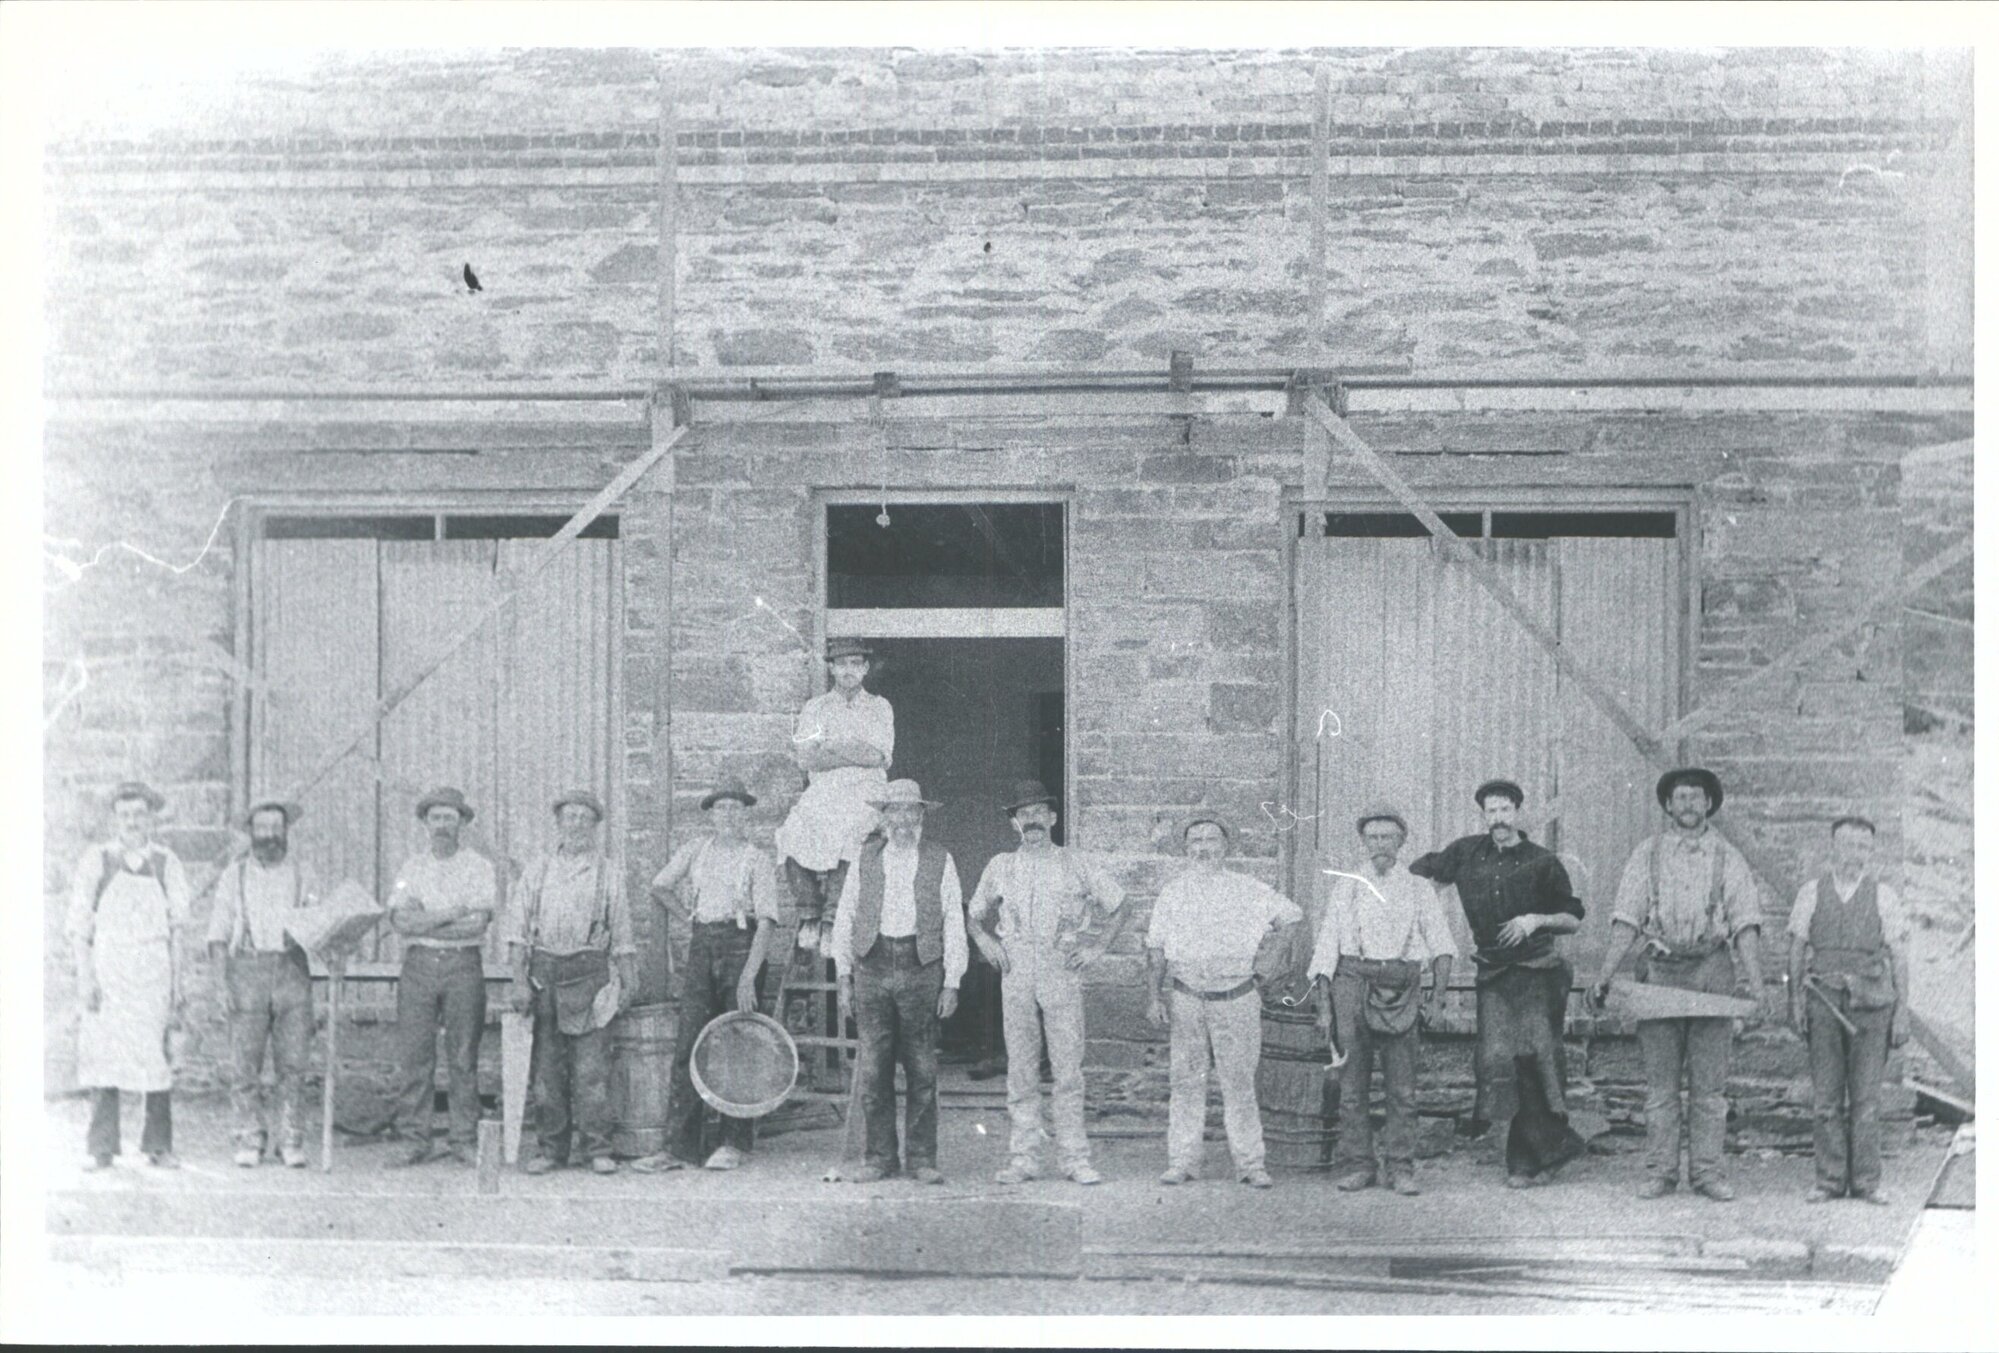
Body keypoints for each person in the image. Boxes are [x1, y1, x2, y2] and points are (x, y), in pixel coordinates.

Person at [1589, 768, 1770, 1203]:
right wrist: (1605, 974)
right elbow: (1626, 921)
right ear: (1668, 805)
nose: (1688, 804)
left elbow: (1745, 924)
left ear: (1709, 804)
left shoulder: (1729, 858)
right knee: (1661, 1088)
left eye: (1696, 797)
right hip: (1659, 973)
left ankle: (1708, 1174)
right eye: (1680, 798)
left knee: (1709, 1089)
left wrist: (1758, 987)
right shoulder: (1646, 855)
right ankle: (1661, 1173)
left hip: (1712, 970)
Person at [1409, 778, 1584, 1188]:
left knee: (1537, 1057)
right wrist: (1422, 910)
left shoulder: (1543, 862)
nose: (1498, 819)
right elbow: (1419, 875)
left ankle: (1525, 1161)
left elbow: (1573, 919)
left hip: (1538, 970)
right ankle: (1553, 1147)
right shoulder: (1467, 852)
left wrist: (1534, 920)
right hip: (1494, 972)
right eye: (1491, 811)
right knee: (1496, 1059)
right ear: (1483, 816)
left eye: (1505, 810)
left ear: (1518, 813)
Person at [968, 779, 1126, 1186]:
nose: (1032, 820)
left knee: (1068, 1068)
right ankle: (1024, 1159)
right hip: (1016, 967)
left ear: (1053, 818)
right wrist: (985, 940)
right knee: (1021, 1067)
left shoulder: (1077, 863)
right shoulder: (1001, 865)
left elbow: (1122, 906)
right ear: (1014, 824)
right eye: (1024, 814)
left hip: (1061, 967)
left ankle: (1075, 1159)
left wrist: (1096, 949)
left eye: (1039, 812)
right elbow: (973, 913)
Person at [633, 779, 784, 1174]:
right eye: (721, 809)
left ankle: (733, 1143)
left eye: (735, 808)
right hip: (703, 947)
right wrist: (690, 920)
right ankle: (679, 1148)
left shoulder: (757, 858)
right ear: (712, 815)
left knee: (739, 1044)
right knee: (690, 1044)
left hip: (742, 949)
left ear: (744, 814)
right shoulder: (696, 850)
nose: (728, 815)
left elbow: (767, 924)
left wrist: (748, 978)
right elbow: (660, 886)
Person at [1145, 815, 1303, 1189]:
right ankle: (1182, 1162)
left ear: (1226, 846)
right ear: (1186, 849)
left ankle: (1250, 1164)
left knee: (1239, 1083)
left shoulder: (1248, 889)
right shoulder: (1173, 893)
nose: (1203, 847)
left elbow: (1293, 918)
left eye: (1211, 840)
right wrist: (1153, 996)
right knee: (1185, 1083)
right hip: (1187, 997)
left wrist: (1266, 966)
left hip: (1236, 997)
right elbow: (1155, 949)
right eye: (1195, 841)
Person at [1307, 803, 1458, 1196]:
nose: (1380, 845)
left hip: (1402, 986)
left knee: (1402, 1089)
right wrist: (1324, 1007)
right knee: (1351, 1086)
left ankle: (1401, 1166)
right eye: (1372, 837)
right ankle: (1359, 1164)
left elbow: (1442, 947)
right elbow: (1326, 948)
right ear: (1363, 841)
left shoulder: (1418, 887)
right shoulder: (1347, 885)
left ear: (1402, 841)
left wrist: (1438, 1001)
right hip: (1352, 985)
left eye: (1387, 837)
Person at [828, 779, 968, 1184]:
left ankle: (922, 1159)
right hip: (871, 966)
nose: (903, 820)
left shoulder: (941, 859)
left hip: (921, 967)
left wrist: (952, 980)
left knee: (922, 1068)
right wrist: (843, 976)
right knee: (874, 1069)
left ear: (921, 816)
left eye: (911, 812)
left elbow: (953, 921)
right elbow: (846, 916)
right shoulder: (865, 857)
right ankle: (879, 1158)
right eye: (895, 811)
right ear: (884, 817)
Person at [507, 789, 638, 1176]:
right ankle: (551, 1150)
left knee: (592, 1072)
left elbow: (624, 936)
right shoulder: (538, 870)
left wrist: (629, 984)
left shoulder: (608, 873)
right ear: (559, 824)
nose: (577, 824)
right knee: (547, 1073)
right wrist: (518, 982)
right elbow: (516, 934)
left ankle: (597, 1148)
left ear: (596, 827)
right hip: (545, 973)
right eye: (570, 817)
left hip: (592, 976)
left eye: (585, 818)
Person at [67, 780, 191, 1170]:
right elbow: (78, 926)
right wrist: (86, 977)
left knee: (155, 1056)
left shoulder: (167, 863)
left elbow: (179, 930)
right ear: (115, 819)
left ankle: (158, 1145)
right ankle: (102, 1147)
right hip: (110, 972)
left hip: (153, 973)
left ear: (151, 817)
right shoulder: (97, 860)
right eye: (125, 815)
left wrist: (178, 985)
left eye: (140, 814)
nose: (133, 822)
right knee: (103, 1054)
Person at [1788, 816, 1910, 1206]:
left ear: (1870, 853)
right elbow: (1796, 949)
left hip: (1871, 1005)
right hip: (1823, 1001)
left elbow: (1900, 956)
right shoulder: (1812, 892)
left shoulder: (1883, 896)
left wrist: (1902, 1010)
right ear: (1832, 848)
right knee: (1826, 1099)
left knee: (1866, 1100)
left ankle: (1867, 1182)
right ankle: (1829, 1180)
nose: (1854, 853)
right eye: (1847, 844)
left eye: (1862, 846)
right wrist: (1794, 1000)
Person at [206, 797, 320, 1168]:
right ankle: (249, 1137)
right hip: (247, 970)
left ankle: (291, 1139)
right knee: (245, 1064)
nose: (270, 835)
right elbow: (218, 934)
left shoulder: (304, 873)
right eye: (263, 827)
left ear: (286, 831)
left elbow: (318, 924)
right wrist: (221, 984)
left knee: (293, 1064)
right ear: (251, 832)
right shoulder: (234, 874)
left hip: (292, 971)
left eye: (276, 827)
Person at [387, 786, 497, 1167]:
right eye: (436, 818)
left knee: (463, 1056)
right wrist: (453, 911)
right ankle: (415, 1139)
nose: (442, 825)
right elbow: (400, 921)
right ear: (425, 823)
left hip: (463, 965)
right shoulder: (411, 868)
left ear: (461, 822)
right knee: (415, 1055)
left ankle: (463, 1138)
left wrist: (427, 919)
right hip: (417, 966)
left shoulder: (478, 867)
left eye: (449, 818)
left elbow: (477, 924)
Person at [775, 638, 894, 955]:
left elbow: (878, 756)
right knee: (790, 834)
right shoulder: (816, 708)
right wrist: (852, 749)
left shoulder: (879, 707)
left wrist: (830, 748)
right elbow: (807, 759)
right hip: (824, 790)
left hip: (865, 789)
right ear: (831, 668)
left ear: (865, 668)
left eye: (855, 664)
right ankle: (810, 914)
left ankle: (832, 920)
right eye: (841, 664)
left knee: (853, 835)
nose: (848, 670)